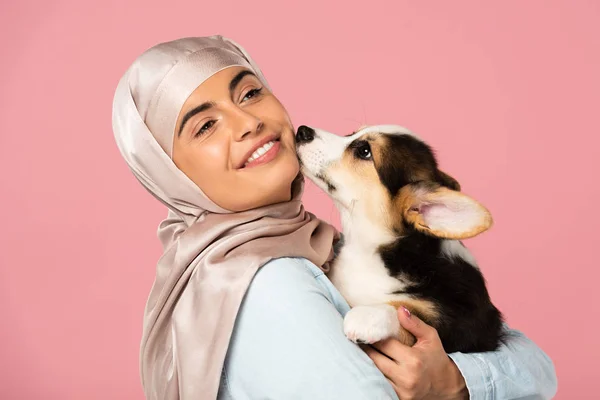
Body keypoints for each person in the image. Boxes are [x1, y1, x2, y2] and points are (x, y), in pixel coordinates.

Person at [112, 35, 557, 400]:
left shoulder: (321, 246)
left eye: (249, 93)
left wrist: (456, 380)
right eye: (204, 126)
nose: (246, 122)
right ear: (169, 172)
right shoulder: (269, 280)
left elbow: (533, 362)